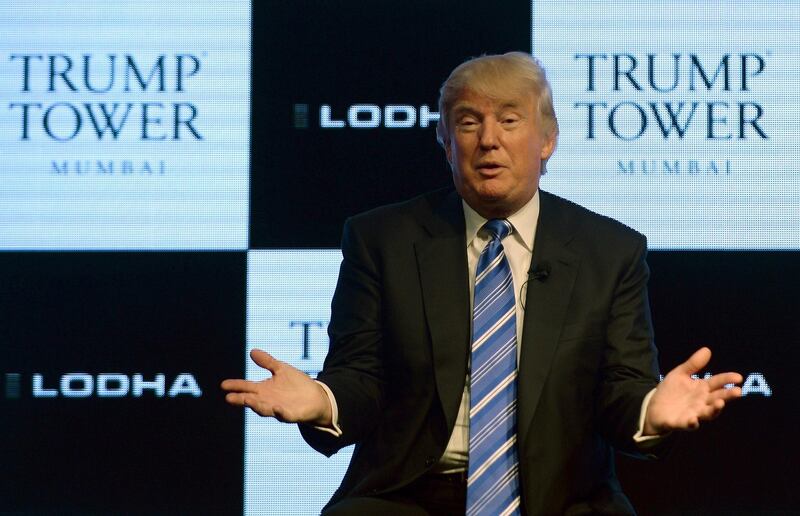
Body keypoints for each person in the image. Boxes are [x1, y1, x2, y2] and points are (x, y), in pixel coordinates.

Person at [222, 52, 742, 515]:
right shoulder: (383, 239)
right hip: (408, 495)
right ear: (446, 143)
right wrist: (321, 400)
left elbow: (620, 390)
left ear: (548, 139)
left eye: (510, 120)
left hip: (562, 499)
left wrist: (652, 411)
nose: (488, 139)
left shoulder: (608, 250)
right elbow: (361, 377)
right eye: (468, 122)